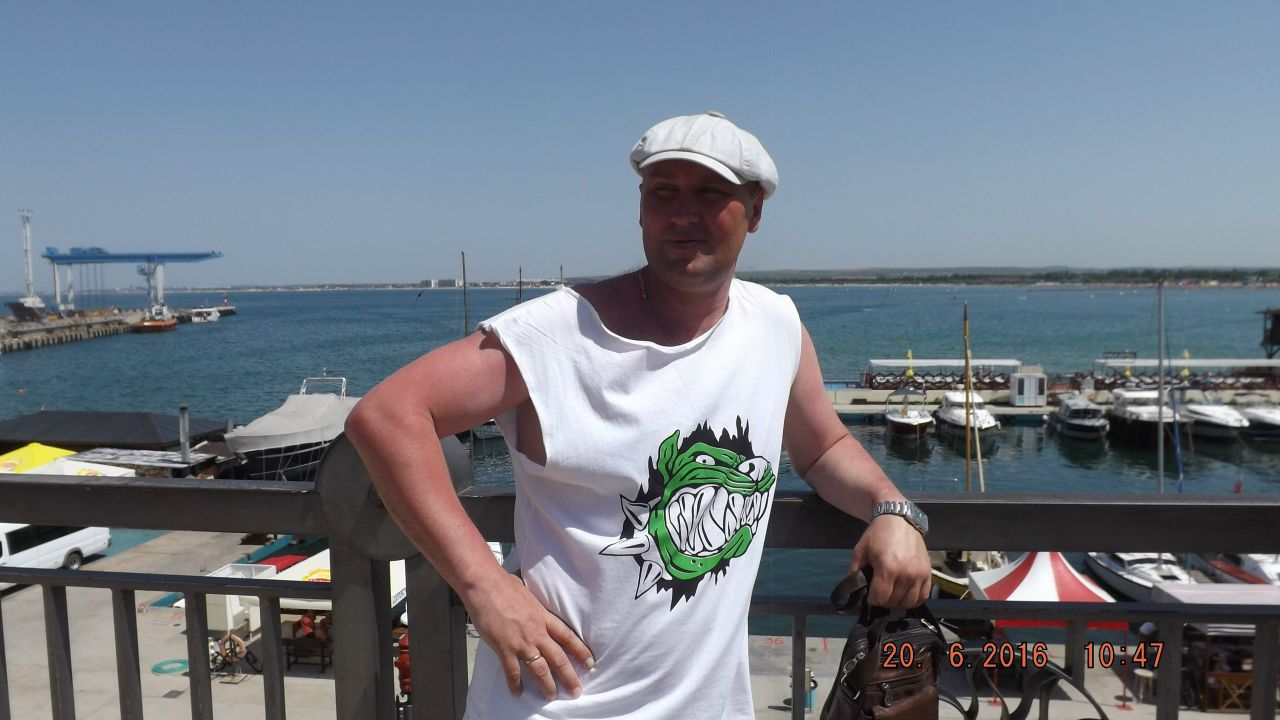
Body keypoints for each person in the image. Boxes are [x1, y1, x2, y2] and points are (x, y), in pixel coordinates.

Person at [345, 111, 932, 719]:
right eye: (663, 192)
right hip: (554, 705)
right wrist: (485, 589)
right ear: (641, 207)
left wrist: (892, 510)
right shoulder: (556, 334)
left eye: (710, 193)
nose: (682, 214)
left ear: (755, 211)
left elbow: (822, 446)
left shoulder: (775, 326)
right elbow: (388, 416)